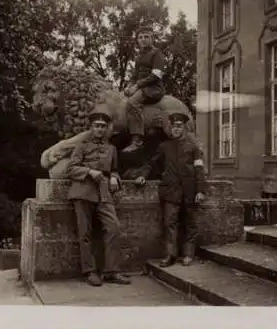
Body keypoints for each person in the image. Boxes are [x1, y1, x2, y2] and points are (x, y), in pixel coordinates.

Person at [67, 105, 131, 286]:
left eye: (103, 126)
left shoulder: (111, 149)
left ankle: (111, 271)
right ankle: (90, 271)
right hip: (82, 191)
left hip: (104, 193)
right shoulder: (81, 146)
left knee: (114, 228)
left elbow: (115, 170)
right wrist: (89, 172)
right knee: (85, 233)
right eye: (97, 125)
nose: (100, 129)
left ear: (107, 128)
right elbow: (70, 169)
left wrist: (114, 177)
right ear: (91, 127)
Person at [134, 112, 206, 267]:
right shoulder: (164, 146)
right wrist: (143, 176)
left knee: (190, 223)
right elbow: (151, 163)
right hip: (170, 192)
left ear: (184, 127)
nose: (176, 129)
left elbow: (199, 169)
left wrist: (200, 190)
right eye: (173, 126)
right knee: (169, 223)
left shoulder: (193, 147)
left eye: (179, 126)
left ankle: (188, 254)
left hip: (189, 192)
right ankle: (170, 255)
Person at [122, 25, 167, 153]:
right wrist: (129, 86)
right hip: (141, 87)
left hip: (154, 88)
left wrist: (137, 85)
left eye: (146, 37)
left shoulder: (157, 54)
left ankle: (137, 140)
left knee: (132, 103)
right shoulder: (139, 56)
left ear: (152, 38)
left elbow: (156, 75)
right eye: (140, 37)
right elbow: (134, 76)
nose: (143, 39)